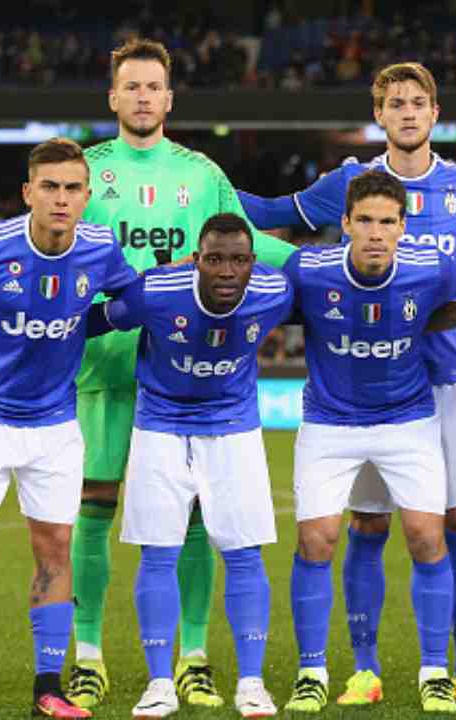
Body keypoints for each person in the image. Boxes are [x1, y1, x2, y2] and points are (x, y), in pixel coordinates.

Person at [238, 61, 456, 706]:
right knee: (369, 524)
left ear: (436, 113)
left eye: (417, 102)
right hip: (366, 383)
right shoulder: (350, 184)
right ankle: (364, 668)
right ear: (378, 114)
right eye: (395, 103)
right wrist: (202, 188)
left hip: (447, 374)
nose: (407, 112)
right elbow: (269, 213)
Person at [68, 37, 298, 710]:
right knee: (93, 506)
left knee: (194, 517)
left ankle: (193, 656)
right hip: (104, 366)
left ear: (169, 99)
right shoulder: (86, 170)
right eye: (131, 86)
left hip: (180, 372)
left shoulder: (201, 174)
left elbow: (247, 245)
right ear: (113, 97)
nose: (142, 97)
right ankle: (88, 655)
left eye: (153, 87)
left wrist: (322, 262)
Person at [0, 138, 138, 720]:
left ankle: (49, 686)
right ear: (28, 192)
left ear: (87, 196)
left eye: (72, 188)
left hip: (55, 425)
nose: (61, 198)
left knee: (56, 547)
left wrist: (100, 316)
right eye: (49, 187)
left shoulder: (100, 248)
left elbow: (127, 302)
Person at [281, 171, 456, 714]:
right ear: (345, 224)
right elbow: (262, 297)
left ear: (403, 226)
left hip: (408, 421)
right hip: (330, 423)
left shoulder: (431, 268)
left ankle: (434, 671)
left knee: (427, 536)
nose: (375, 233)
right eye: (365, 221)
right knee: (317, 540)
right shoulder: (308, 269)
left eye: (386, 222)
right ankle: (319, 671)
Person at [85, 213, 293, 718]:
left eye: (238, 260)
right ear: (196, 260)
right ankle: (160, 684)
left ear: (253, 263)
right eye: (215, 259)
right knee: (159, 552)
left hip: (234, 428)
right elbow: (98, 320)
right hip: (159, 425)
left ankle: (251, 683)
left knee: (244, 553)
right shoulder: (157, 291)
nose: (227, 271)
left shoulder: (275, 291)